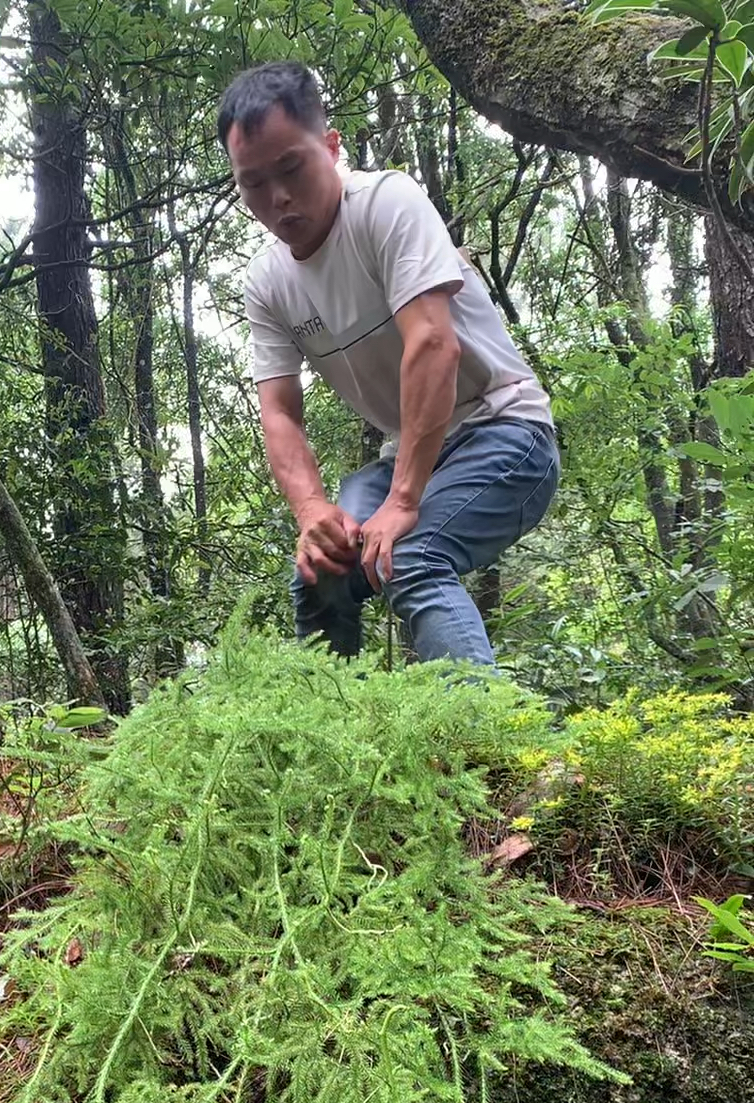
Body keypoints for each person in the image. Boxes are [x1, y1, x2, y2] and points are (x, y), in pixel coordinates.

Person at [217, 61, 560, 667]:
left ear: (330, 147)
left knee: (416, 554)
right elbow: (279, 412)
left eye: (291, 167)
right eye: (253, 183)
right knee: (320, 574)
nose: (277, 198)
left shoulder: (385, 205)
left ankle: (483, 749)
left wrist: (403, 501)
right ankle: (333, 755)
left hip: (506, 430)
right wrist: (313, 512)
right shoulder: (268, 281)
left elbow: (434, 344)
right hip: (412, 448)